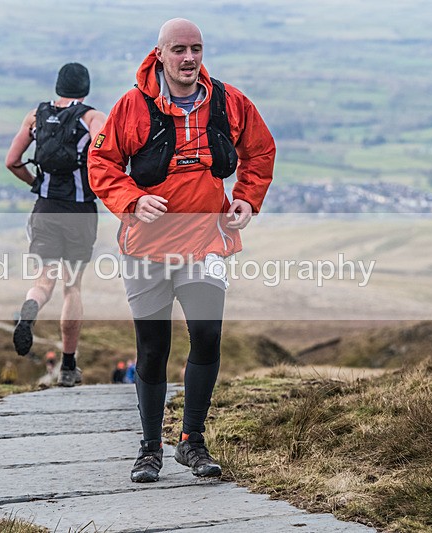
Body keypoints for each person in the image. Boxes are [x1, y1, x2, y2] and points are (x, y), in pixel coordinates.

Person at [88, 19, 275, 483]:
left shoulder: (228, 102)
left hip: (205, 242)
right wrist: (132, 200)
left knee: (207, 336)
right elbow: (101, 162)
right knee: (153, 349)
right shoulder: (132, 106)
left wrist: (247, 199)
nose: (188, 58)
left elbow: (260, 150)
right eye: (178, 50)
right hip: (146, 249)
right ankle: (150, 448)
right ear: (160, 54)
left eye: (196, 48)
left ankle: (192, 441)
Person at [4, 62, 107, 387]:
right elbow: (105, 154)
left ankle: (31, 307)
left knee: (44, 280)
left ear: (58, 87)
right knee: (71, 286)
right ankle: (68, 366)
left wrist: (35, 182)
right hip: (79, 212)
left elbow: (12, 161)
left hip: (45, 209)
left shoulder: (36, 116)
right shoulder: (93, 118)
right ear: (85, 89)